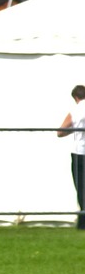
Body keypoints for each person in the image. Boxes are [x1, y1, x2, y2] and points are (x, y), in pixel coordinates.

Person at [55, 84, 85, 230]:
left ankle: (83, 221)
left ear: (76, 97)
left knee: (81, 188)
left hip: (79, 152)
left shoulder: (76, 109)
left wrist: (74, 130)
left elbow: (60, 132)